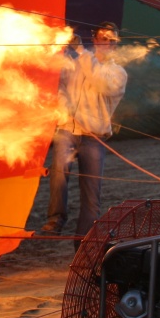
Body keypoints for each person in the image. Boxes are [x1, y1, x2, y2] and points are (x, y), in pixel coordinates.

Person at [42, 22, 128, 236]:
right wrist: (64, 108)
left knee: (91, 195)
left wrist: (81, 51)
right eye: (102, 38)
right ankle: (56, 220)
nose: (106, 43)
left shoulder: (117, 73)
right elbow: (59, 85)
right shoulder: (76, 62)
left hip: (93, 137)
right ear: (95, 40)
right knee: (59, 170)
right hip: (68, 130)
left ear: (115, 45)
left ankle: (83, 242)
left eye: (110, 40)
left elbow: (99, 82)